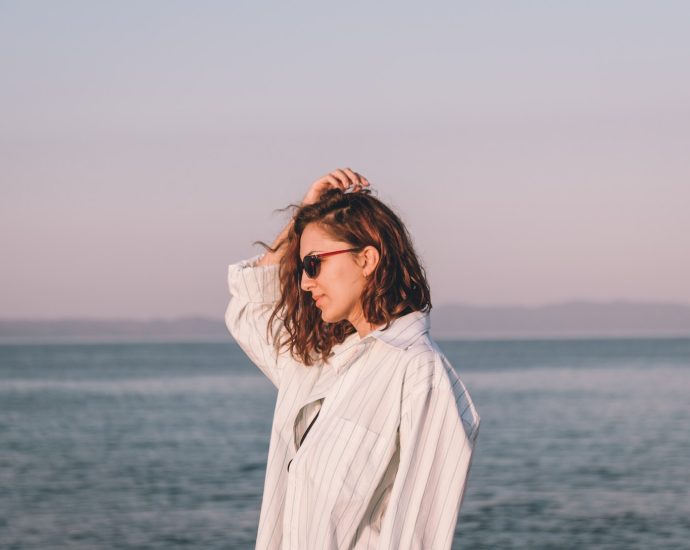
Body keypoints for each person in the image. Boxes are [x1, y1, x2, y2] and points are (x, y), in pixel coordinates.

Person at [225, 168, 480, 550]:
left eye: (313, 263)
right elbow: (248, 309)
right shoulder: (318, 363)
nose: (305, 282)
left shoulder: (418, 373)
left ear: (366, 259)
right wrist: (302, 219)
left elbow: (419, 535)